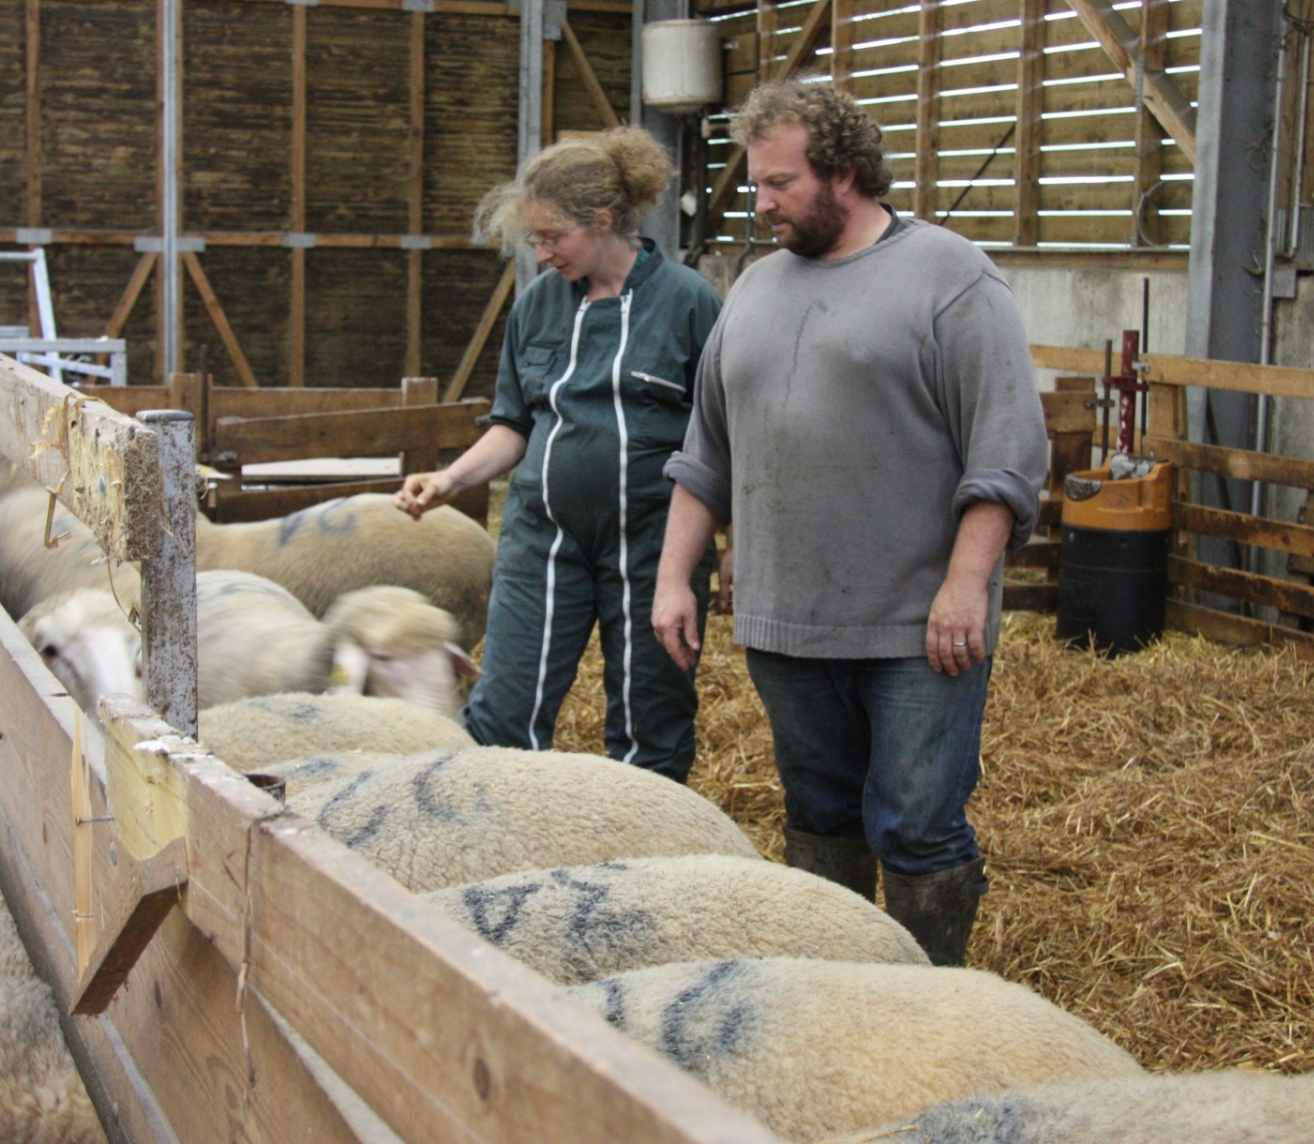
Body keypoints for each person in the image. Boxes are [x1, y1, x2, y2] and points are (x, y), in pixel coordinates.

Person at [650, 79, 1048, 965]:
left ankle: (927, 1001)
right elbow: (705, 452)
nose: (761, 206)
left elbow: (1007, 450)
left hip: (916, 627)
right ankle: (833, 997)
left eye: (779, 185)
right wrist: (675, 577)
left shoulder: (949, 277)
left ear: (843, 174)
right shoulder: (753, 288)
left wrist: (965, 586)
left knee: (914, 824)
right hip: (786, 621)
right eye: (756, 185)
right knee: (818, 814)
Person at [395, 128, 724, 782]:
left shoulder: (687, 303)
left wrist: (725, 542)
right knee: (503, 712)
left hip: (653, 545)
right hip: (543, 538)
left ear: (602, 222)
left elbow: (718, 435)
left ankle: (644, 856)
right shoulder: (540, 305)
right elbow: (513, 424)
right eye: (534, 239)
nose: (542, 254)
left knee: (649, 722)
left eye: (551, 237)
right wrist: (450, 477)